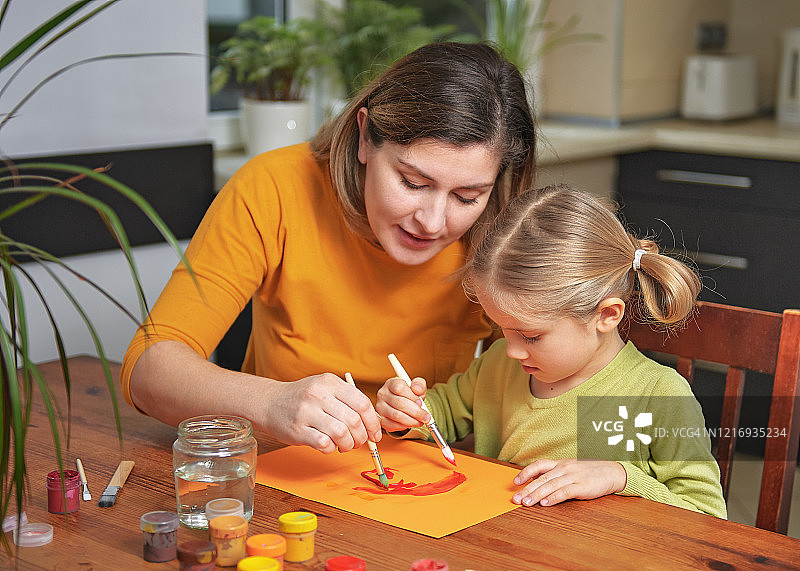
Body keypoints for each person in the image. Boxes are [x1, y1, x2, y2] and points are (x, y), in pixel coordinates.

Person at [121, 42, 536, 456]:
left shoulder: (503, 228)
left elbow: (594, 361)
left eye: (467, 196)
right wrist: (271, 403)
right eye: (412, 182)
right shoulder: (273, 189)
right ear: (364, 138)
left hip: (433, 486)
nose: (431, 221)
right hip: (284, 478)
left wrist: (604, 460)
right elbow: (148, 372)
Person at [376, 184, 727, 518]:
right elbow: (441, 415)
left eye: (530, 337)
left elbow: (707, 515)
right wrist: (408, 413)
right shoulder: (499, 364)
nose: (511, 350)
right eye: (502, 329)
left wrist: (621, 478)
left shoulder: (656, 395)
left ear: (606, 315)